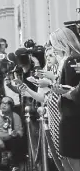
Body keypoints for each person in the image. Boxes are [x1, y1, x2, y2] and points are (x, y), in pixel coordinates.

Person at [49, 28, 80, 171]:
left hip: (72, 117)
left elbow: (71, 88)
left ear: (62, 42)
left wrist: (62, 91)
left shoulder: (70, 60)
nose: (53, 48)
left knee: (71, 161)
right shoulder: (73, 59)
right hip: (70, 115)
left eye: (54, 44)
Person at [0, 96, 23, 170]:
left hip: (10, 139)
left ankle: (14, 166)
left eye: (7, 103)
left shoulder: (15, 116)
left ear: (11, 106)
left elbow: (20, 132)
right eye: (2, 103)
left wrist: (16, 133)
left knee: (17, 140)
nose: (4, 105)